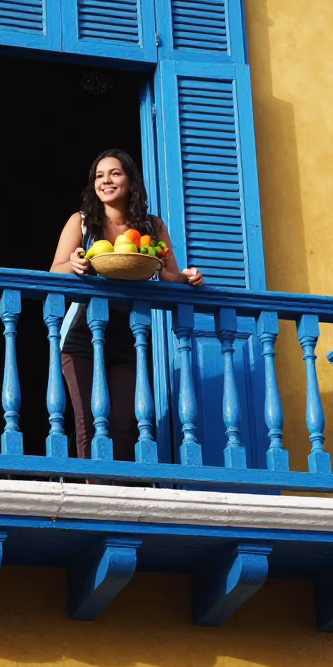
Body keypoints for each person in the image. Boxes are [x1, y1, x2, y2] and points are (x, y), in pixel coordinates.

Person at [49, 149, 203, 461]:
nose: (106, 181)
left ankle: (115, 490)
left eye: (114, 173)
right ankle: (89, 491)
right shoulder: (81, 222)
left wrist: (189, 278)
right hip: (81, 333)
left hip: (130, 333)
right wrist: (76, 263)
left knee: (123, 423)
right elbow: (56, 268)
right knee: (89, 422)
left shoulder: (152, 227)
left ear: (130, 181)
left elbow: (168, 274)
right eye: (99, 176)